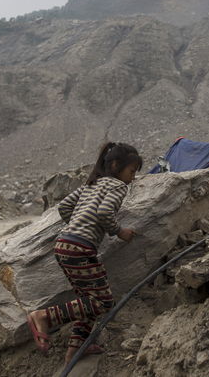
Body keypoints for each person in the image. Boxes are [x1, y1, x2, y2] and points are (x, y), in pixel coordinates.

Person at [26, 142, 141, 363]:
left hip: (64, 244)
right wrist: (120, 232)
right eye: (131, 172)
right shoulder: (118, 187)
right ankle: (43, 317)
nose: (133, 178)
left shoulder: (91, 184)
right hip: (80, 248)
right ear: (116, 165)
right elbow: (105, 212)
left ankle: (75, 350)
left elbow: (64, 208)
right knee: (104, 302)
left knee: (88, 300)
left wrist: (77, 226)